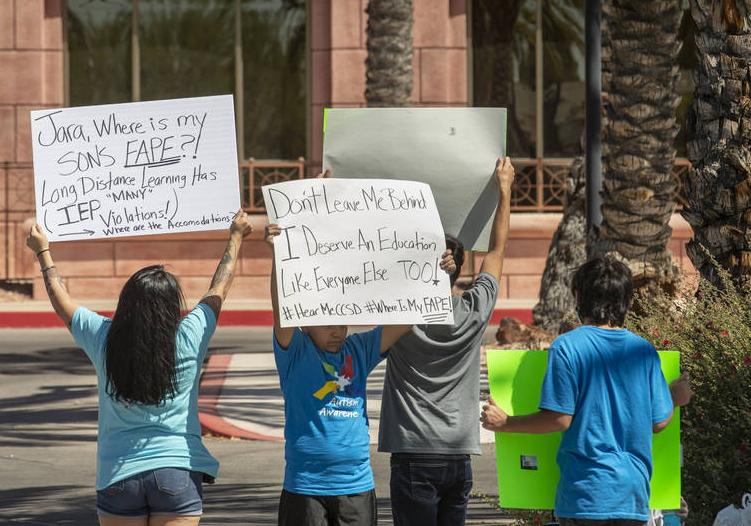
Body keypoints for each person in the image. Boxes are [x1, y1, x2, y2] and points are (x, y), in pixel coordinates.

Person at [27, 210, 254, 526]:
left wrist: (43, 252)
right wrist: (236, 237)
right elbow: (219, 289)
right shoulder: (190, 334)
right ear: (172, 305)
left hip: (118, 473)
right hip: (177, 470)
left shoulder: (104, 337)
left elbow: (61, 302)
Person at [479, 255, 692, 526]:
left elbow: (559, 418)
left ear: (578, 298)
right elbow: (659, 421)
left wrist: (506, 423)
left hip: (585, 496)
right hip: (634, 497)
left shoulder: (567, 347)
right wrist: (673, 397)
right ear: (626, 301)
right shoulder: (644, 350)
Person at [262, 221, 436, 526]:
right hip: (305, 487)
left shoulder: (359, 349)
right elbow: (283, 308)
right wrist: (280, 255)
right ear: (304, 322)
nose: (338, 332)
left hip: (356, 487)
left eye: (342, 323)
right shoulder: (295, 351)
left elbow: (410, 315)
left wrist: (435, 272)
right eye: (328, 323)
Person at [377, 156, 515, 526]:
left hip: (413, 454)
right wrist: (505, 192)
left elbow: (375, 276)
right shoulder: (474, 310)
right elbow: (497, 252)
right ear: (456, 269)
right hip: (458, 456)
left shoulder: (400, 318)